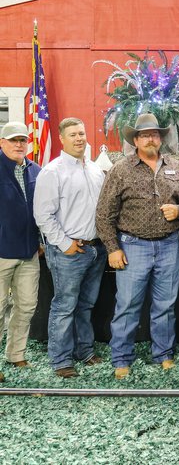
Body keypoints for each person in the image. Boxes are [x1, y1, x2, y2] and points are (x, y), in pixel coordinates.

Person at [95, 113, 179, 379]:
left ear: (160, 138)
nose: (150, 139)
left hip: (168, 245)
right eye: (145, 135)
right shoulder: (121, 170)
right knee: (127, 304)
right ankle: (122, 357)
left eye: (154, 134)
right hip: (132, 246)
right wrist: (113, 248)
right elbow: (104, 214)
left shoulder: (177, 167)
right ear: (136, 140)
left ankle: (163, 354)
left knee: (165, 304)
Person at [33, 118, 107, 378]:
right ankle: (61, 360)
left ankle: (84, 351)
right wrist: (65, 245)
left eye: (82, 133)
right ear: (62, 139)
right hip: (68, 251)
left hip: (95, 249)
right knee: (64, 306)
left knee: (85, 305)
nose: (79, 138)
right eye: (73, 134)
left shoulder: (96, 170)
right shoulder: (52, 172)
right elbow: (42, 215)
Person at [0, 122, 42, 376]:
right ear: (2, 142)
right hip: (2, 252)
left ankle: (16, 354)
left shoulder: (35, 170)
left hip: (29, 252)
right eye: (13, 140)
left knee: (26, 306)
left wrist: (40, 242)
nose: (19, 145)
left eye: (23, 140)